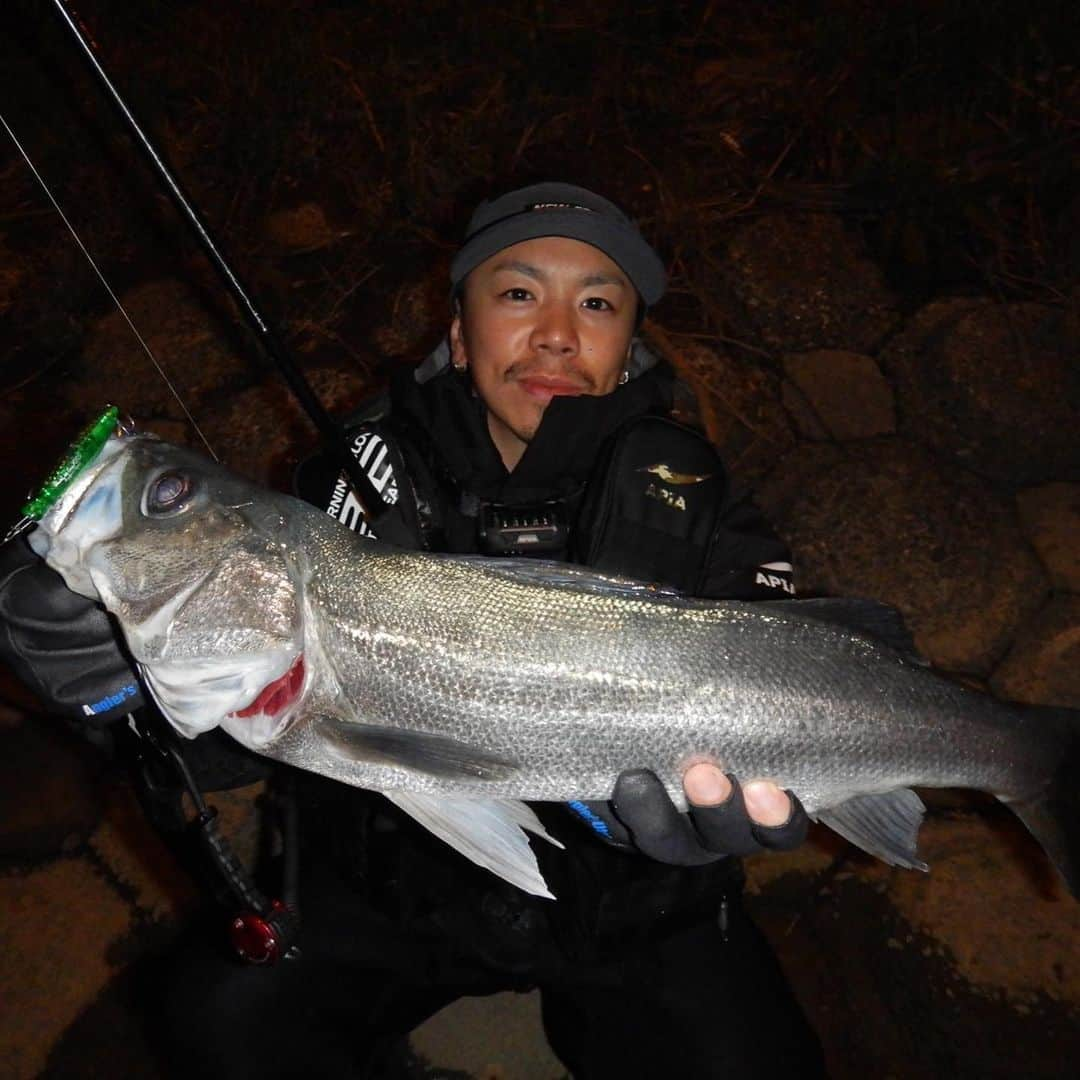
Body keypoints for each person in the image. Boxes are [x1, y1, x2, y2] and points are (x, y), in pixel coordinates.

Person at [0, 182, 825, 1078]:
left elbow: (799, 661)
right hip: (390, 902)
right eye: (518, 292)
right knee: (214, 1019)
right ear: (459, 334)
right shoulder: (341, 494)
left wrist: (765, 792)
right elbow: (235, 742)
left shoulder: (700, 503)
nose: (557, 330)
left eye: (597, 302)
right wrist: (115, 677)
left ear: (628, 349)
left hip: (640, 913)